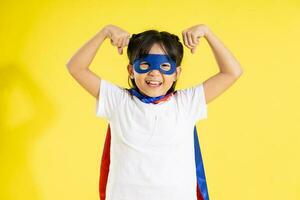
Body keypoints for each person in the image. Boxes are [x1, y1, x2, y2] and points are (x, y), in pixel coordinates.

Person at [66, 24, 243, 200]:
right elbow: (76, 67)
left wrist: (207, 32)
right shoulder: (118, 101)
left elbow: (232, 72)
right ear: (131, 70)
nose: (154, 73)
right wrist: (105, 32)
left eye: (165, 66)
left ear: (176, 73)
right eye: (145, 64)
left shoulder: (187, 103)